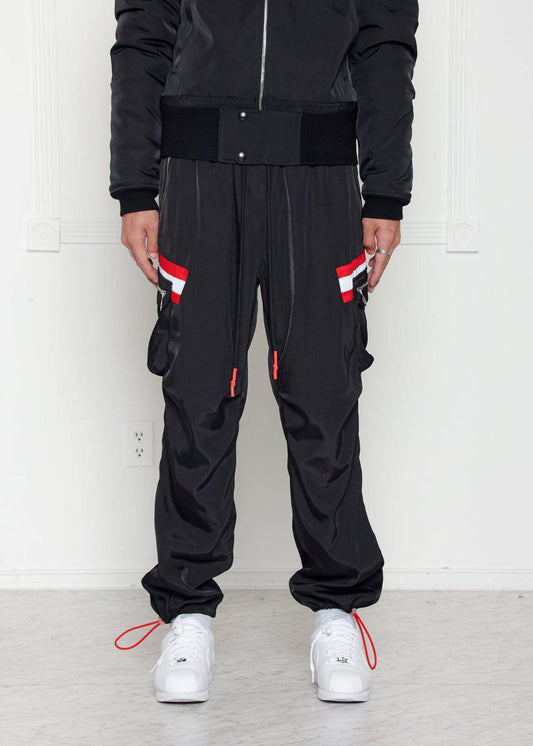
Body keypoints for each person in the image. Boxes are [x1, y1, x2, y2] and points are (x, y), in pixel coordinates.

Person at [110, 0, 418, 703]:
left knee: (323, 393)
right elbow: (142, 40)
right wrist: (134, 186)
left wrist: (386, 190)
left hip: (319, 177)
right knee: (198, 392)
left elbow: (385, 46)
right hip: (198, 173)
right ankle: (187, 613)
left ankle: (336, 611)